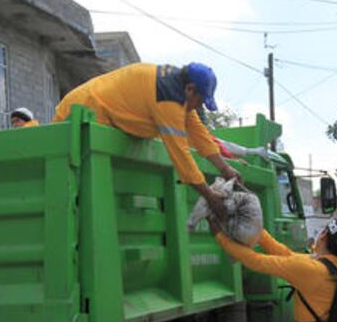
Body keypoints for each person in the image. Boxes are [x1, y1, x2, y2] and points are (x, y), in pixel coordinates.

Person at [53, 62, 241, 221]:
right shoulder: (168, 97)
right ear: (190, 89)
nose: (199, 107)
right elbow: (180, 155)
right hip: (81, 113)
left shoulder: (178, 91)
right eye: (200, 101)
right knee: (75, 196)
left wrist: (225, 169)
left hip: (93, 115)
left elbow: (199, 134)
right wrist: (209, 196)